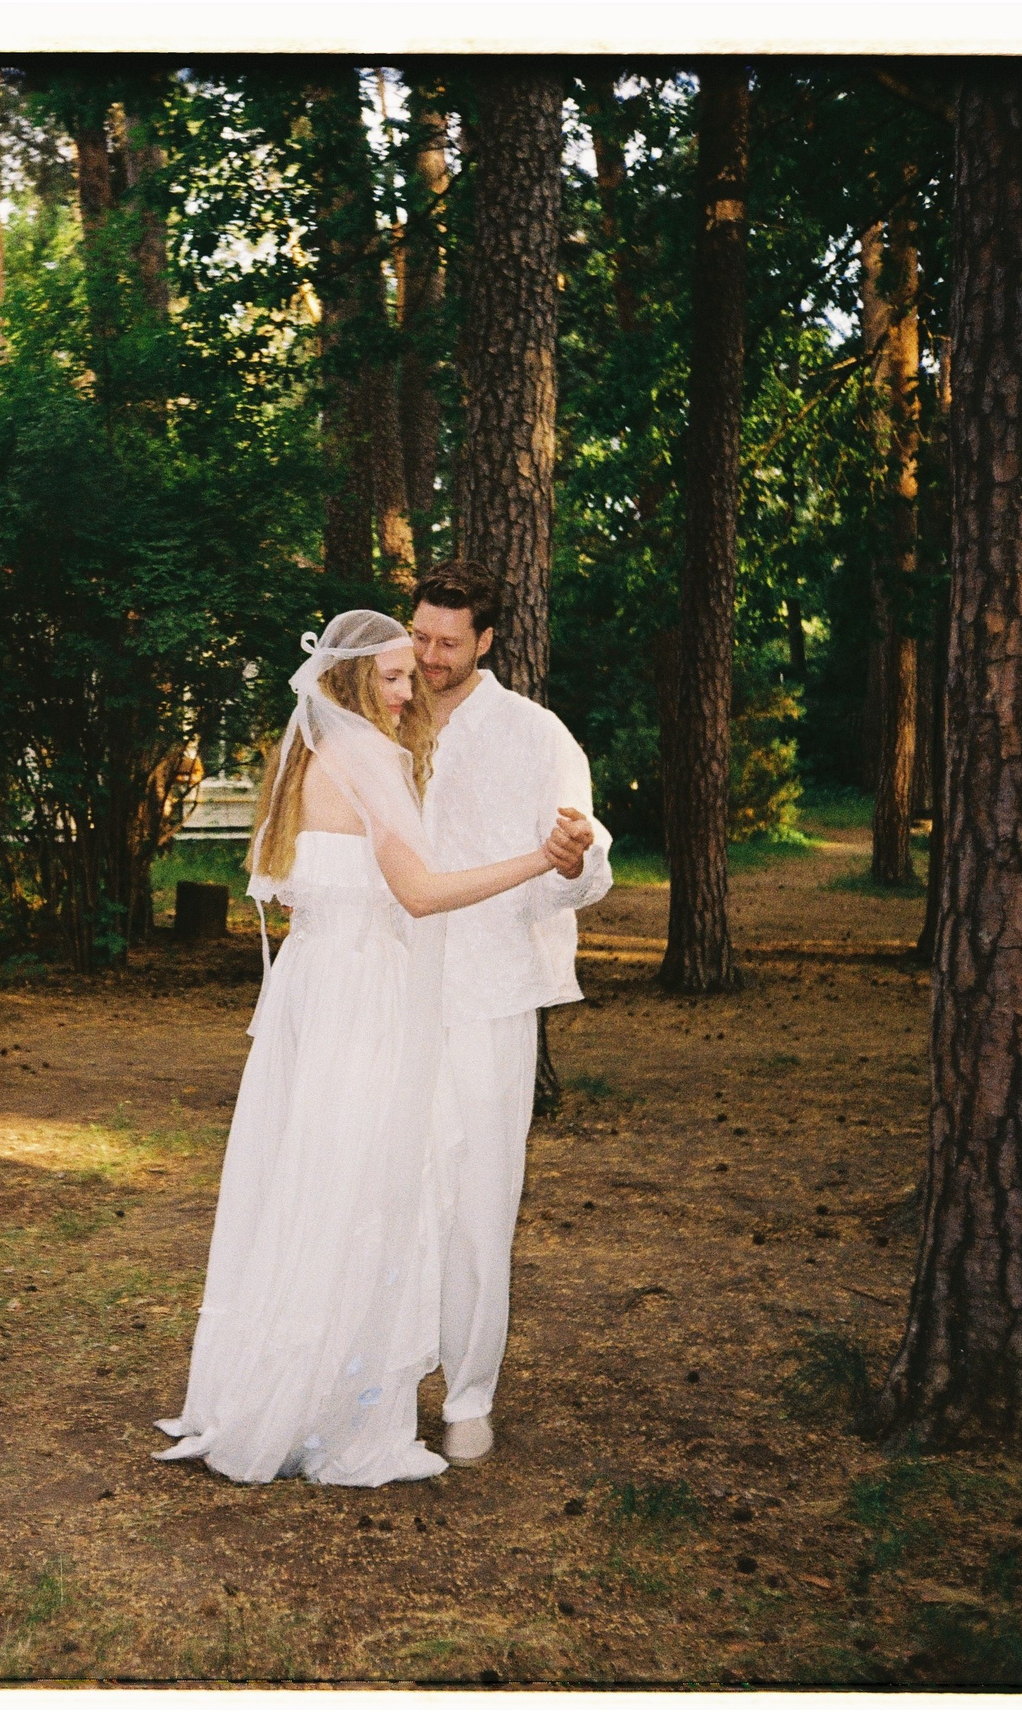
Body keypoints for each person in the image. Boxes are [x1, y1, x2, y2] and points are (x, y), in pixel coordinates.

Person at [151, 610, 592, 1488]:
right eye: (392, 676)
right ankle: (344, 1412)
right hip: (365, 1003)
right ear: (354, 680)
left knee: (308, 1186)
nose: (408, 689)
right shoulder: (368, 757)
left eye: (411, 673)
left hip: (312, 994)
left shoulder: (300, 760)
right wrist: (536, 860)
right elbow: (421, 894)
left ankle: (280, 1390)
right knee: (366, 1191)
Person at [407, 562, 614, 1465]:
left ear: (486, 641)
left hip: (490, 995)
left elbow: (589, 857)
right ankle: (377, 1370)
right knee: (388, 1182)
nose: (430, 656)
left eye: (450, 642)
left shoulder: (538, 735)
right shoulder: (383, 712)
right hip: (389, 994)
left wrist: (572, 856)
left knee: (480, 1199)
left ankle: (469, 1396)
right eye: (421, 636)